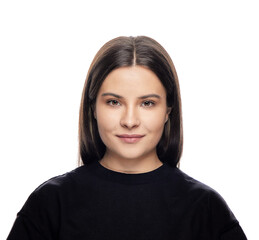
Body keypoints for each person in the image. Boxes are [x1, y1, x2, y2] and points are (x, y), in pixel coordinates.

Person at [7, 36, 247, 239]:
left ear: (168, 111)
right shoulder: (49, 204)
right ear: (93, 108)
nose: (130, 121)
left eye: (147, 103)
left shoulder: (205, 209)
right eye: (114, 102)